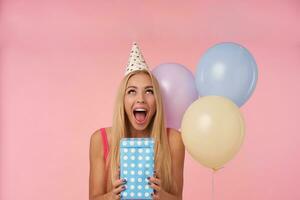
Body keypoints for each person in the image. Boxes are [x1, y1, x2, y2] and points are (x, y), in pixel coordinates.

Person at [89, 42, 185, 200]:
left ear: (157, 100)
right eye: (132, 91)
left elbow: (178, 198)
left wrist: (162, 196)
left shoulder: (174, 140)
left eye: (149, 91)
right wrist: (111, 197)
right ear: (123, 100)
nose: (140, 99)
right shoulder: (100, 140)